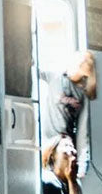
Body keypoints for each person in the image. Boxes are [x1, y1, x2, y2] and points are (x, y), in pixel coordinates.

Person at [41, 50, 97, 178]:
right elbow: (35, 69)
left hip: (64, 147)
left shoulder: (82, 93)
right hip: (49, 143)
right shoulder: (54, 76)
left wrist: (82, 164)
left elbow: (83, 131)